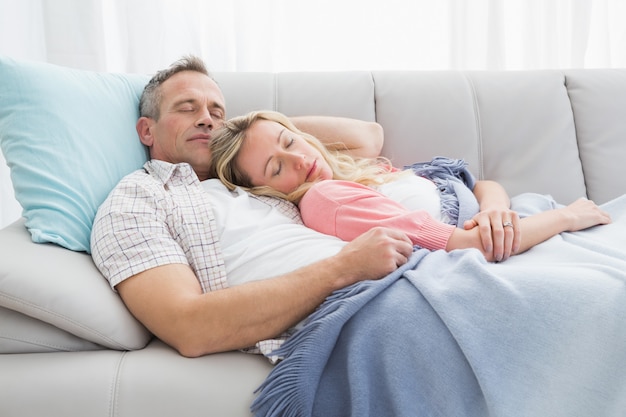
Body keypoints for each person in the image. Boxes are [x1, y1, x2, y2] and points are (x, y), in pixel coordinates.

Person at [90, 55, 415, 359]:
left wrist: (259, 130)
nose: (206, 119)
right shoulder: (137, 199)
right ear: (147, 130)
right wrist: (344, 268)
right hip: (360, 302)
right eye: (187, 109)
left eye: (217, 112)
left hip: (405, 267)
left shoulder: (250, 171)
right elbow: (187, 325)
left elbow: (368, 138)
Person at [208, 110, 612, 262]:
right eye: (277, 168)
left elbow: (484, 185)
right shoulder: (326, 198)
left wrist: (492, 211)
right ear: (266, 193)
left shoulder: (352, 175)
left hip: (517, 221)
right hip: (519, 237)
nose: (300, 158)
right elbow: (467, 245)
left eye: (290, 140)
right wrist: (566, 217)